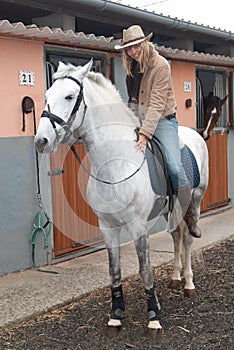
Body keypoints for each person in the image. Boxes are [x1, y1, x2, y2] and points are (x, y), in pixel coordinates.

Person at [114, 25, 201, 238]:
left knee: (173, 166)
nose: (133, 51)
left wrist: (144, 134)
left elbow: (157, 104)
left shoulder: (161, 65)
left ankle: (189, 213)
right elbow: (133, 100)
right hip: (140, 120)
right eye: (129, 48)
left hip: (163, 121)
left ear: (144, 43)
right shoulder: (132, 68)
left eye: (136, 46)